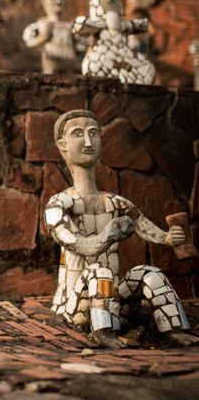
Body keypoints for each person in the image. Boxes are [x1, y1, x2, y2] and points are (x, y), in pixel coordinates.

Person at [45, 110, 198, 348]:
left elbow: (147, 228)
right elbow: (75, 243)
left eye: (94, 133)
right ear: (63, 146)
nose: (88, 141)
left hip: (114, 302)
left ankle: (174, 330)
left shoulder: (116, 203)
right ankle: (103, 334)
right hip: (75, 305)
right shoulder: (58, 204)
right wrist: (107, 235)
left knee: (151, 274)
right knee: (100, 272)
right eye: (78, 134)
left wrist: (169, 237)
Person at [73, 0, 155, 84]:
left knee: (147, 69)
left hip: (125, 57)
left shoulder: (123, 25)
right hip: (102, 56)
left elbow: (143, 26)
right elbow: (79, 25)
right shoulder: (98, 25)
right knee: (94, 68)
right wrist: (104, 24)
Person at [22, 0, 77, 74]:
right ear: (44, 1)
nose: (59, 1)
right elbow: (29, 43)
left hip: (69, 67)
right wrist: (42, 37)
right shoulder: (37, 26)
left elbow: (80, 46)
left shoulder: (70, 26)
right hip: (50, 68)